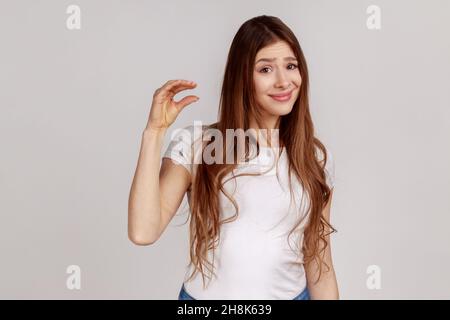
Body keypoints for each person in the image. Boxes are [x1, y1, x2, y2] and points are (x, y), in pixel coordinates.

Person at [128, 15, 338, 300]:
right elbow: (143, 231)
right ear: (242, 77)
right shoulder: (199, 144)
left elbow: (319, 263)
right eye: (265, 69)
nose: (283, 81)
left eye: (291, 66)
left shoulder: (314, 158)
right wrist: (154, 131)